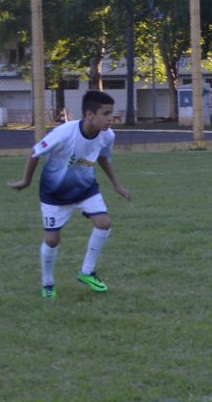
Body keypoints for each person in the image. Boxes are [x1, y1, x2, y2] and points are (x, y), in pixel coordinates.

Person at [8, 89, 130, 298]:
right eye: (106, 113)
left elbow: (103, 157)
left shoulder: (108, 135)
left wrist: (117, 185)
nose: (111, 118)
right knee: (52, 240)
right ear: (89, 115)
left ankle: (87, 271)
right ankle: (48, 283)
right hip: (55, 191)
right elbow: (35, 151)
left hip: (85, 188)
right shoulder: (65, 133)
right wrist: (26, 181)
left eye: (111, 113)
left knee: (104, 223)